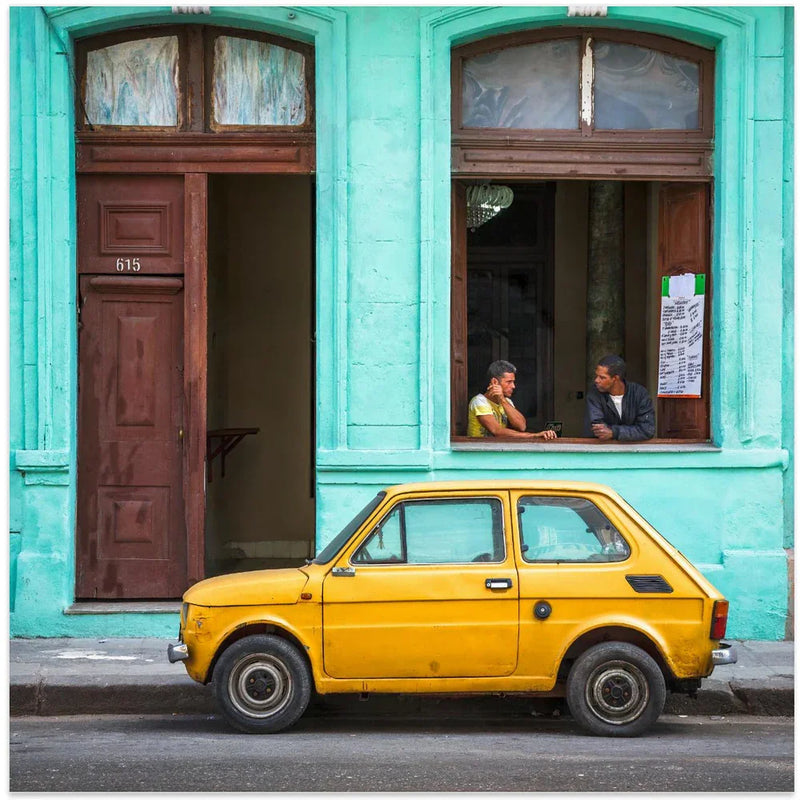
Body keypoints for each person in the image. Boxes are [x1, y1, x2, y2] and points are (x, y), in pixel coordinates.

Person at [468, 360, 557, 440]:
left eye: (513, 382)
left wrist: (502, 400)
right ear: (495, 382)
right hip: (480, 455)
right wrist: (533, 436)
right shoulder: (479, 401)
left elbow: (522, 426)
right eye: (509, 382)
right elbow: (496, 431)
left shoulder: (507, 401)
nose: (513, 386)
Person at [583, 354, 655, 441]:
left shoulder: (639, 394)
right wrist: (632, 431)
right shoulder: (594, 394)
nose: (596, 380)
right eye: (597, 376)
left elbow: (647, 430)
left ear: (615, 378)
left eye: (602, 377)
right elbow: (598, 429)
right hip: (602, 451)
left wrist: (614, 432)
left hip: (634, 451)